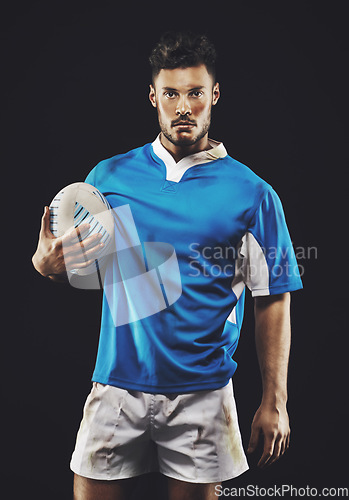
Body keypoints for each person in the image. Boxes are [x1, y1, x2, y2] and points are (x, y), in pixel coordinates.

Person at [32, 31, 303, 500]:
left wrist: (274, 401)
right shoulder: (107, 178)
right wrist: (45, 264)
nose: (183, 106)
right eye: (172, 93)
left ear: (213, 96)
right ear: (153, 97)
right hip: (116, 384)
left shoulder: (253, 193)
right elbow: (75, 269)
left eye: (195, 93)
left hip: (203, 393)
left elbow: (273, 295)